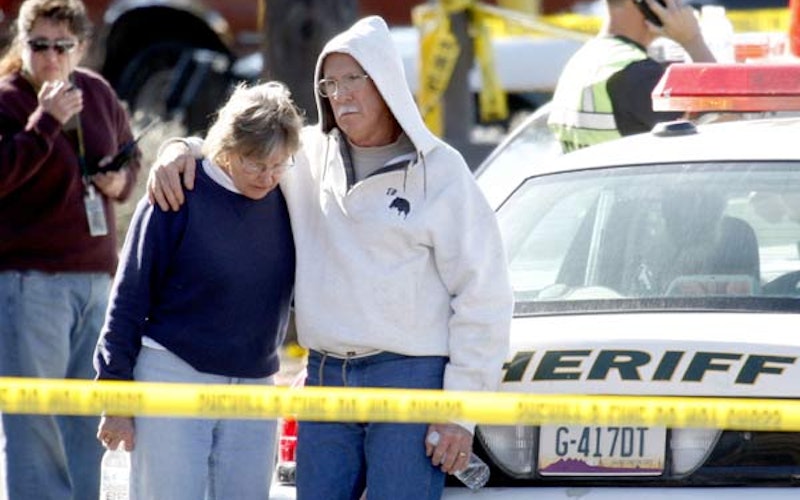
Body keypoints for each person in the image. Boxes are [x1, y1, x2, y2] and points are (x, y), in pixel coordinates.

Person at [148, 15, 513, 500]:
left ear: (385, 81)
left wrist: (459, 411)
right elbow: (242, 147)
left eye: (352, 79)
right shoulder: (304, 154)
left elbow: (484, 295)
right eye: (330, 83)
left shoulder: (443, 171)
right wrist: (182, 148)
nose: (340, 94)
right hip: (324, 378)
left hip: (410, 377)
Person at [93, 81, 302, 499]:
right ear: (226, 148)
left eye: (278, 164)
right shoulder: (177, 191)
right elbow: (128, 298)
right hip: (173, 372)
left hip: (256, 381)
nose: (267, 177)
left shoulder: (289, 194)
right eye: (254, 164)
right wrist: (114, 393)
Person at [0, 0, 141, 498]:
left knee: (85, 416)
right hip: (30, 281)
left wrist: (121, 181)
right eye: (39, 45)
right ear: (22, 44)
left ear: (81, 48)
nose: (51, 57)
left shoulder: (96, 92)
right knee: (34, 422)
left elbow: (130, 156)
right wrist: (45, 122)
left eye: (63, 46)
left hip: (96, 279)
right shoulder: (9, 99)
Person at [547, 0, 716, 152]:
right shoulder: (638, 74)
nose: (682, 5)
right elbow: (720, 133)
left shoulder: (584, 59)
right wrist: (693, 40)